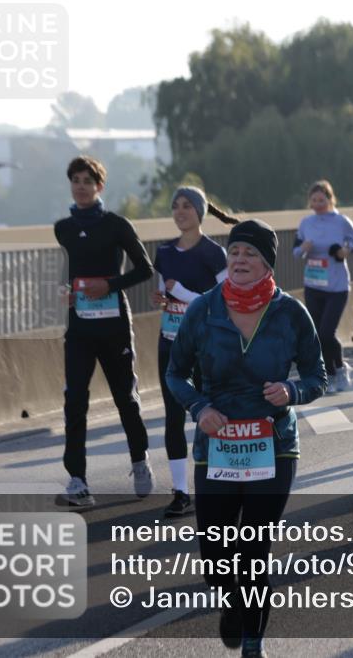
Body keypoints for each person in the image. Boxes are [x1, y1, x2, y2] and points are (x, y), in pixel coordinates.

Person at [166, 219, 326, 656]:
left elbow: (317, 376)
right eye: (234, 251)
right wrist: (199, 408)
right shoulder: (204, 309)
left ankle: (254, 644)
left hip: (273, 446)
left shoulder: (291, 313)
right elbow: (174, 373)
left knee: (254, 550)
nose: (239, 259)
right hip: (216, 445)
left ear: (267, 264)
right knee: (218, 559)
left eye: (250, 253)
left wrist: (292, 391)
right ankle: (231, 600)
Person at [54, 156, 155, 506]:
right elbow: (67, 273)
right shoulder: (63, 228)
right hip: (80, 329)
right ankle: (78, 480)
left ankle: (140, 459)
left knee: (125, 398)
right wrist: (64, 293)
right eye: (75, 180)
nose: (80, 185)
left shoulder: (117, 225)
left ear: (99, 186)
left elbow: (145, 269)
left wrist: (110, 285)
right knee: (75, 402)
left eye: (87, 180)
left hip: (113, 326)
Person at [151, 186, 237, 516]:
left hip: (206, 346)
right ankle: (180, 491)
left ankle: (217, 482)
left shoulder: (214, 253)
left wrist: (182, 292)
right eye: (175, 206)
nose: (180, 211)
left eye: (187, 205)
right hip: (170, 343)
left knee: (208, 413)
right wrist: (159, 298)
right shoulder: (164, 252)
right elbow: (162, 291)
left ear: (200, 212)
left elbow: (224, 297)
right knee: (172, 416)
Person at [292, 180, 353, 393]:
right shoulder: (306, 223)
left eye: (322, 199)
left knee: (326, 331)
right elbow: (296, 253)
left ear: (330, 199)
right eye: (313, 200)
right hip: (313, 284)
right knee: (317, 332)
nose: (318, 203)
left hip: (337, 285)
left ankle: (341, 368)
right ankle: (331, 375)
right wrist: (303, 248)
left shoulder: (341, 221)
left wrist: (346, 251)